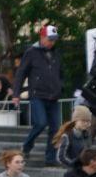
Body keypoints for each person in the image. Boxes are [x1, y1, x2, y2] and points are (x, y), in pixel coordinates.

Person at [12, 25, 63, 166]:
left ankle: (51, 158)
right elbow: (21, 73)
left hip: (54, 96)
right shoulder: (31, 52)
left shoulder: (56, 53)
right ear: (42, 38)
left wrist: (60, 86)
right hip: (37, 95)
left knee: (55, 128)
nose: (52, 42)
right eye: (49, 39)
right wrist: (16, 93)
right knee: (40, 123)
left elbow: (60, 72)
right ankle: (27, 146)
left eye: (54, 40)